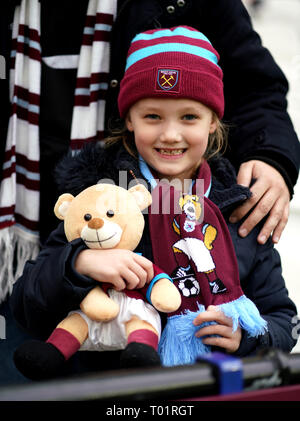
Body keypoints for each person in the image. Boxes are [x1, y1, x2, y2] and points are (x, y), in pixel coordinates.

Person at [0, 0, 299, 383]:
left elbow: (283, 319)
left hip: (204, 388)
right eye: (152, 116)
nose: (170, 135)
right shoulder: (102, 200)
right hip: (103, 390)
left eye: (189, 116)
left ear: (214, 122)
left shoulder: (237, 208)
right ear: (128, 120)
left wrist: (244, 337)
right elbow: (28, 300)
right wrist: (77, 264)